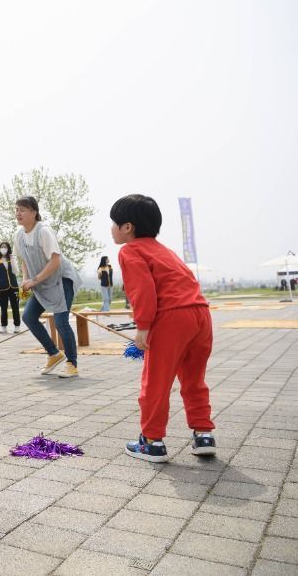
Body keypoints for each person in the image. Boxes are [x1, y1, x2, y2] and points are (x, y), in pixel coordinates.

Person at [111, 194, 216, 462]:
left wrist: (143, 328)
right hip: (200, 314)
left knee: (156, 381)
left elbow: (143, 291)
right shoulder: (164, 250)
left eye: (114, 223)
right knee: (194, 379)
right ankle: (203, 434)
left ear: (128, 227)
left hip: (171, 319)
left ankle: (152, 442)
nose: (112, 228)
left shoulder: (130, 250)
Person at [14, 196, 82, 378]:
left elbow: (55, 261)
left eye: (22, 210)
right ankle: (53, 353)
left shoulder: (44, 231)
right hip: (42, 282)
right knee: (28, 316)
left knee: (61, 322)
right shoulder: (19, 235)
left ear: (34, 213)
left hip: (61, 280)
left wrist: (34, 280)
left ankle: (72, 364)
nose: (18, 213)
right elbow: (24, 260)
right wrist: (25, 279)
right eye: (17, 210)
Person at [0, 241, 21, 334]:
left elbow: (16, 271)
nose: (3, 248)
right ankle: (4, 327)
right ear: (0, 249)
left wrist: (13, 259)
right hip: (2, 288)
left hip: (13, 287)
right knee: (3, 308)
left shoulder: (11, 258)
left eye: (5, 247)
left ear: (8, 248)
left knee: (15, 307)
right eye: (2, 247)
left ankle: (17, 326)